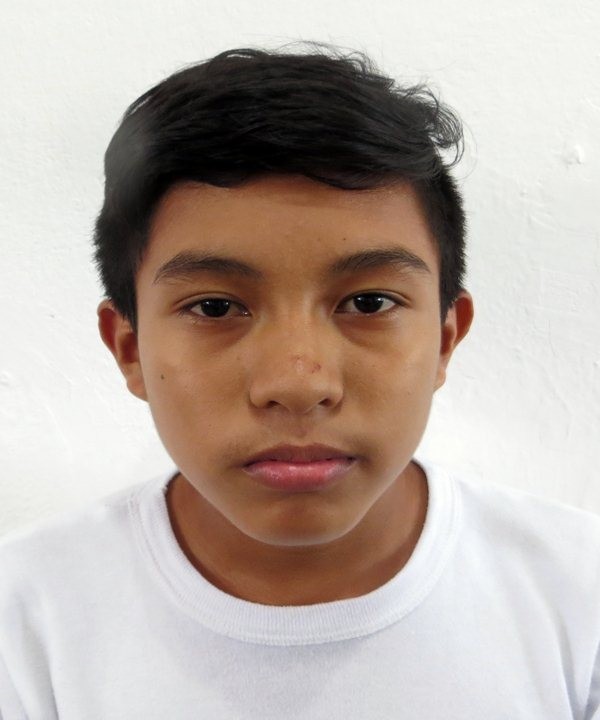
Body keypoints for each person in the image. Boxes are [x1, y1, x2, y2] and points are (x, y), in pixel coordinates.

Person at [1, 42, 599, 719]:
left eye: (368, 302)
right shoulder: (25, 621)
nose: (298, 383)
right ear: (130, 349)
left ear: (443, 338)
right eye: (215, 308)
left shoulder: (579, 595)